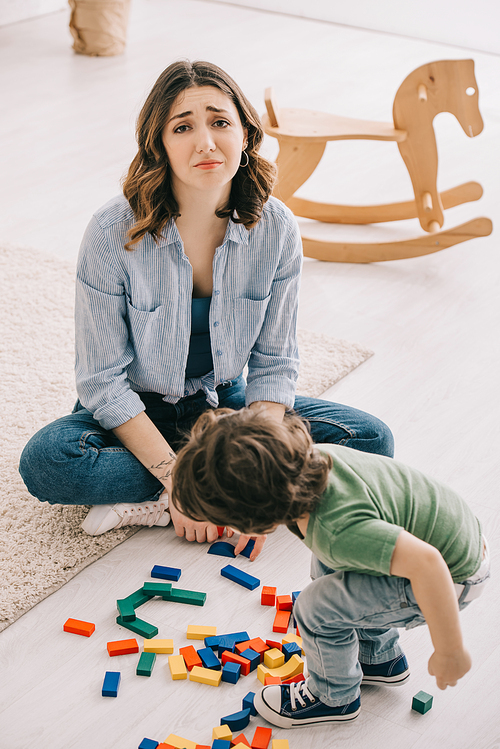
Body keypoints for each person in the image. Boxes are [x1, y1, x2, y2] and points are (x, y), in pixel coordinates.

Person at [19, 60, 393, 559]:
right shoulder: (111, 230)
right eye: (183, 127)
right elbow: (101, 380)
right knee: (49, 462)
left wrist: (256, 460)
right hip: (134, 407)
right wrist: (177, 481)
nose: (205, 143)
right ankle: (187, 489)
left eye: (220, 122)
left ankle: (156, 501)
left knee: (371, 440)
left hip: (224, 406)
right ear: (159, 142)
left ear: (245, 132)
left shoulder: (276, 227)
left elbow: (274, 363)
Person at [171, 407, 490, 728]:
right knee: (327, 569)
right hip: (453, 543)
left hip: (451, 579)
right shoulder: (315, 460)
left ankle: (333, 697)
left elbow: (429, 565)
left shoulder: (337, 531)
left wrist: (450, 650)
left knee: (314, 609)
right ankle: (378, 659)